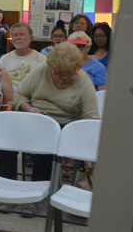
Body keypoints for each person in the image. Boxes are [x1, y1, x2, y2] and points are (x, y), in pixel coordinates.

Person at [12, 42, 99, 217]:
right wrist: (29, 109)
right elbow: (19, 96)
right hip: (36, 120)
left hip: (64, 127)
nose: (62, 78)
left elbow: (92, 120)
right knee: (5, 137)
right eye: (57, 74)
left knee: (49, 143)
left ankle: (35, 197)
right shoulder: (41, 70)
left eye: (68, 74)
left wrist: (89, 150)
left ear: (76, 68)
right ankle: (10, 188)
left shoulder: (84, 84)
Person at [0, 22, 46, 89]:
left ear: (31, 38)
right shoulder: (4, 60)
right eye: (15, 35)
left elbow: (45, 85)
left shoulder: (42, 59)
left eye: (22, 34)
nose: (18, 38)